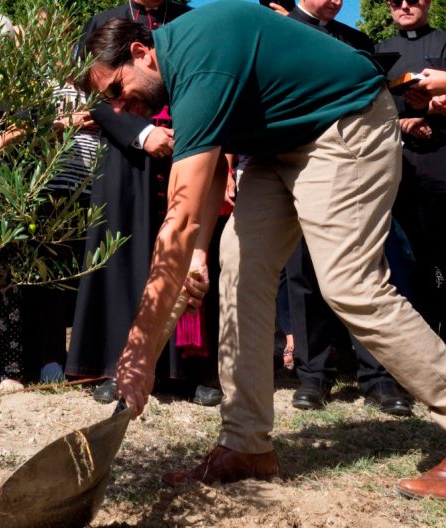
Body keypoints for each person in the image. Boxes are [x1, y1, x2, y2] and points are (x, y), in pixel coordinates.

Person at [81, 1, 446, 497]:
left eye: (116, 91)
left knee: (350, 285)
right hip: (279, 146)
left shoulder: (199, 59)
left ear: (141, 53)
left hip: (346, 122)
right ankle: (246, 445)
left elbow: (180, 217)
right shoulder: (182, 71)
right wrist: (198, 256)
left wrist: (138, 353)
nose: (119, 108)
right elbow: (209, 168)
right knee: (238, 269)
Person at [66, 0, 224, 406]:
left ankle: (188, 371)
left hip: (189, 144)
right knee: (124, 257)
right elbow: (95, 92)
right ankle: (116, 366)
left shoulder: (190, 19)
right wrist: (142, 133)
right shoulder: (103, 22)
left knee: (188, 250)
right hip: (126, 156)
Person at [279, 0, 412, 415]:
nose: (338, 1)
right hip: (301, 161)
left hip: (357, 165)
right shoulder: (280, 29)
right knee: (302, 272)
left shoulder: (358, 40)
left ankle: (379, 377)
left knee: (366, 268)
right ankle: (313, 375)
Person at [376, 0, 446, 341]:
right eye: (395, 1)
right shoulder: (379, 51)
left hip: (441, 160)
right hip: (398, 166)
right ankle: (422, 336)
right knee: (410, 256)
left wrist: (433, 112)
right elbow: (372, 107)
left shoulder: (444, 40)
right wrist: (403, 122)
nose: (404, 6)